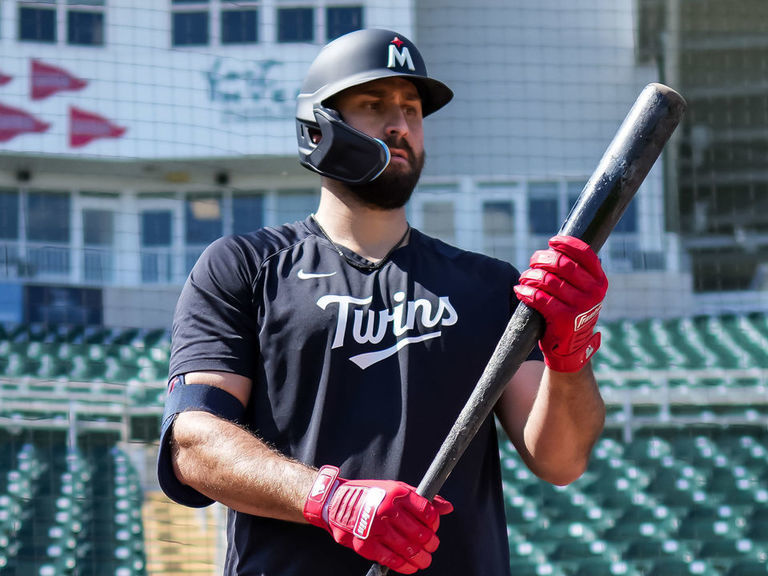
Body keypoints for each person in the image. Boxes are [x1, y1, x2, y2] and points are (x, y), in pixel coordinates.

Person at [157, 28, 607, 576]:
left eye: (412, 111)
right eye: (373, 106)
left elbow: (559, 459)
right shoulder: (241, 267)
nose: (400, 125)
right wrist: (332, 501)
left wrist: (571, 355)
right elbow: (194, 445)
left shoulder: (489, 285)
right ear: (319, 127)